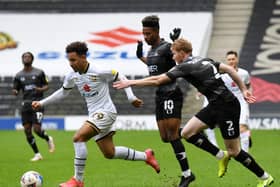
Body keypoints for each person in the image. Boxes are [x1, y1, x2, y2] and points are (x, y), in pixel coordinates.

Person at [113, 38, 274, 187]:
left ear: (182, 53)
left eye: (174, 53)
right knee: (187, 132)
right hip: (215, 105)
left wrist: (131, 82)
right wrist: (244, 89)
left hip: (227, 106)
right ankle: (220, 155)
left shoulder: (184, 66)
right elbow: (230, 71)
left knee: (235, 151)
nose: (173, 57)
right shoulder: (205, 59)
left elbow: (158, 80)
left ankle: (265, 177)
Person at [32, 41, 160, 187]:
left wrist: (131, 97)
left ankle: (78, 180)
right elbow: (63, 92)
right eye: (69, 60)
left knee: (78, 138)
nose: (70, 63)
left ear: (83, 57)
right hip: (95, 115)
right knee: (109, 153)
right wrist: (42, 103)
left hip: (106, 112)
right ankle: (146, 156)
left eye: (73, 60)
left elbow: (121, 76)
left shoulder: (98, 71)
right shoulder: (72, 75)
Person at [136, 15, 194, 187]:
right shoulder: (150, 51)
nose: (145, 37)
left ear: (156, 32)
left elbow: (186, 60)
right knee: (165, 137)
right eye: (143, 34)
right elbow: (156, 66)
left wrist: (176, 42)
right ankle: (193, 131)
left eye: (148, 34)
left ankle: (187, 174)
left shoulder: (167, 47)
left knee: (173, 135)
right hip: (159, 95)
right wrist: (141, 57)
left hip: (171, 93)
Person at [202, 51, 253, 152]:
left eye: (233, 59)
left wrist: (248, 93)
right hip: (229, 103)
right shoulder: (223, 75)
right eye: (229, 59)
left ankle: (245, 153)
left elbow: (248, 85)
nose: (231, 61)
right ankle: (215, 145)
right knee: (215, 125)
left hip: (242, 103)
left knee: (242, 126)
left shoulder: (244, 73)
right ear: (226, 61)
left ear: (237, 60)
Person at [12, 51, 55, 162]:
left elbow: (46, 86)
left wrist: (40, 89)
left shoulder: (39, 72)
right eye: (24, 56)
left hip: (38, 103)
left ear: (32, 59)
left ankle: (47, 138)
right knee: (27, 130)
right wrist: (15, 91)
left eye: (28, 56)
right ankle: (37, 154)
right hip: (25, 104)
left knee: (36, 129)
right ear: (22, 59)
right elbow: (15, 88)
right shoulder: (18, 75)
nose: (26, 58)